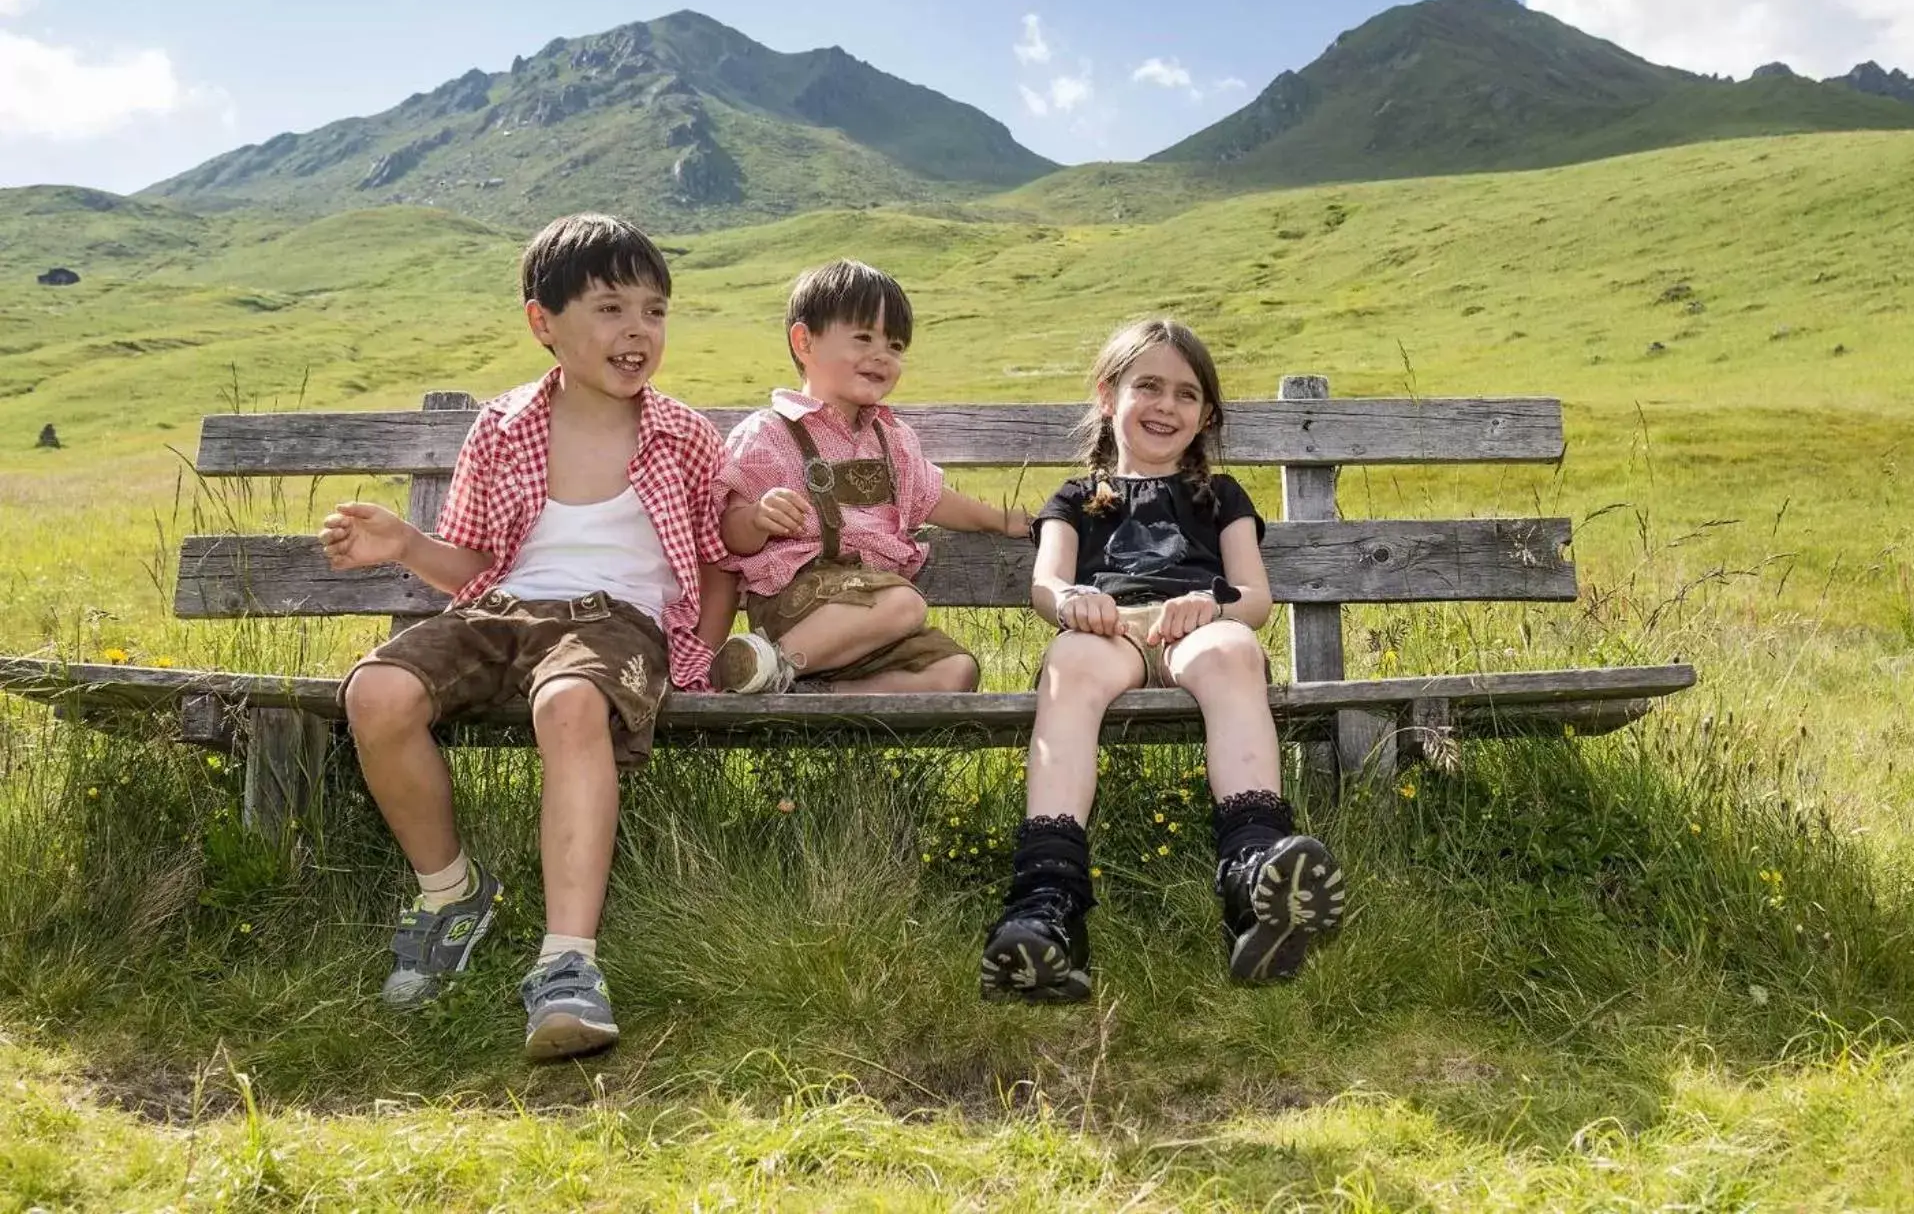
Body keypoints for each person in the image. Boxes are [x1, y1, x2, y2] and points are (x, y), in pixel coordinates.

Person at [319, 213, 735, 1062]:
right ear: (542, 321)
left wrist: (701, 651)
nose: (637, 331)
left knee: (572, 704)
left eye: (654, 311)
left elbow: (721, 558)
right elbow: (469, 560)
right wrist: (400, 543)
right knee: (377, 691)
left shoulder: (685, 434)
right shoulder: (504, 426)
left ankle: (567, 963)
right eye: (611, 308)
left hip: (615, 626)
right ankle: (451, 893)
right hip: (502, 612)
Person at [980, 318, 1345, 1001]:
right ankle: (1045, 908)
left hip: (1196, 631)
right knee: (1072, 664)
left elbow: (1254, 598)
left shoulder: (1222, 497)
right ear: (1108, 395)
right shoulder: (1076, 496)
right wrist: (1073, 604)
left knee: (1235, 652)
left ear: (1205, 414)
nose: (1165, 406)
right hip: (1109, 631)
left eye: (1185, 394)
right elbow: (1047, 583)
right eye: (1147, 386)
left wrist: (1212, 607)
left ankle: (1254, 875)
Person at [710, 258, 1028, 695]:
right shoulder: (770, 432)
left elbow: (933, 499)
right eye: (863, 338)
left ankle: (805, 692)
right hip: (804, 604)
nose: (881, 355)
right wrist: (757, 518)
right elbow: (729, 533)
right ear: (804, 342)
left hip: (873, 621)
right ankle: (769, 660)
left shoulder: (891, 439)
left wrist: (1001, 520)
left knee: (957, 672)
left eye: (895, 346)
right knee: (904, 602)